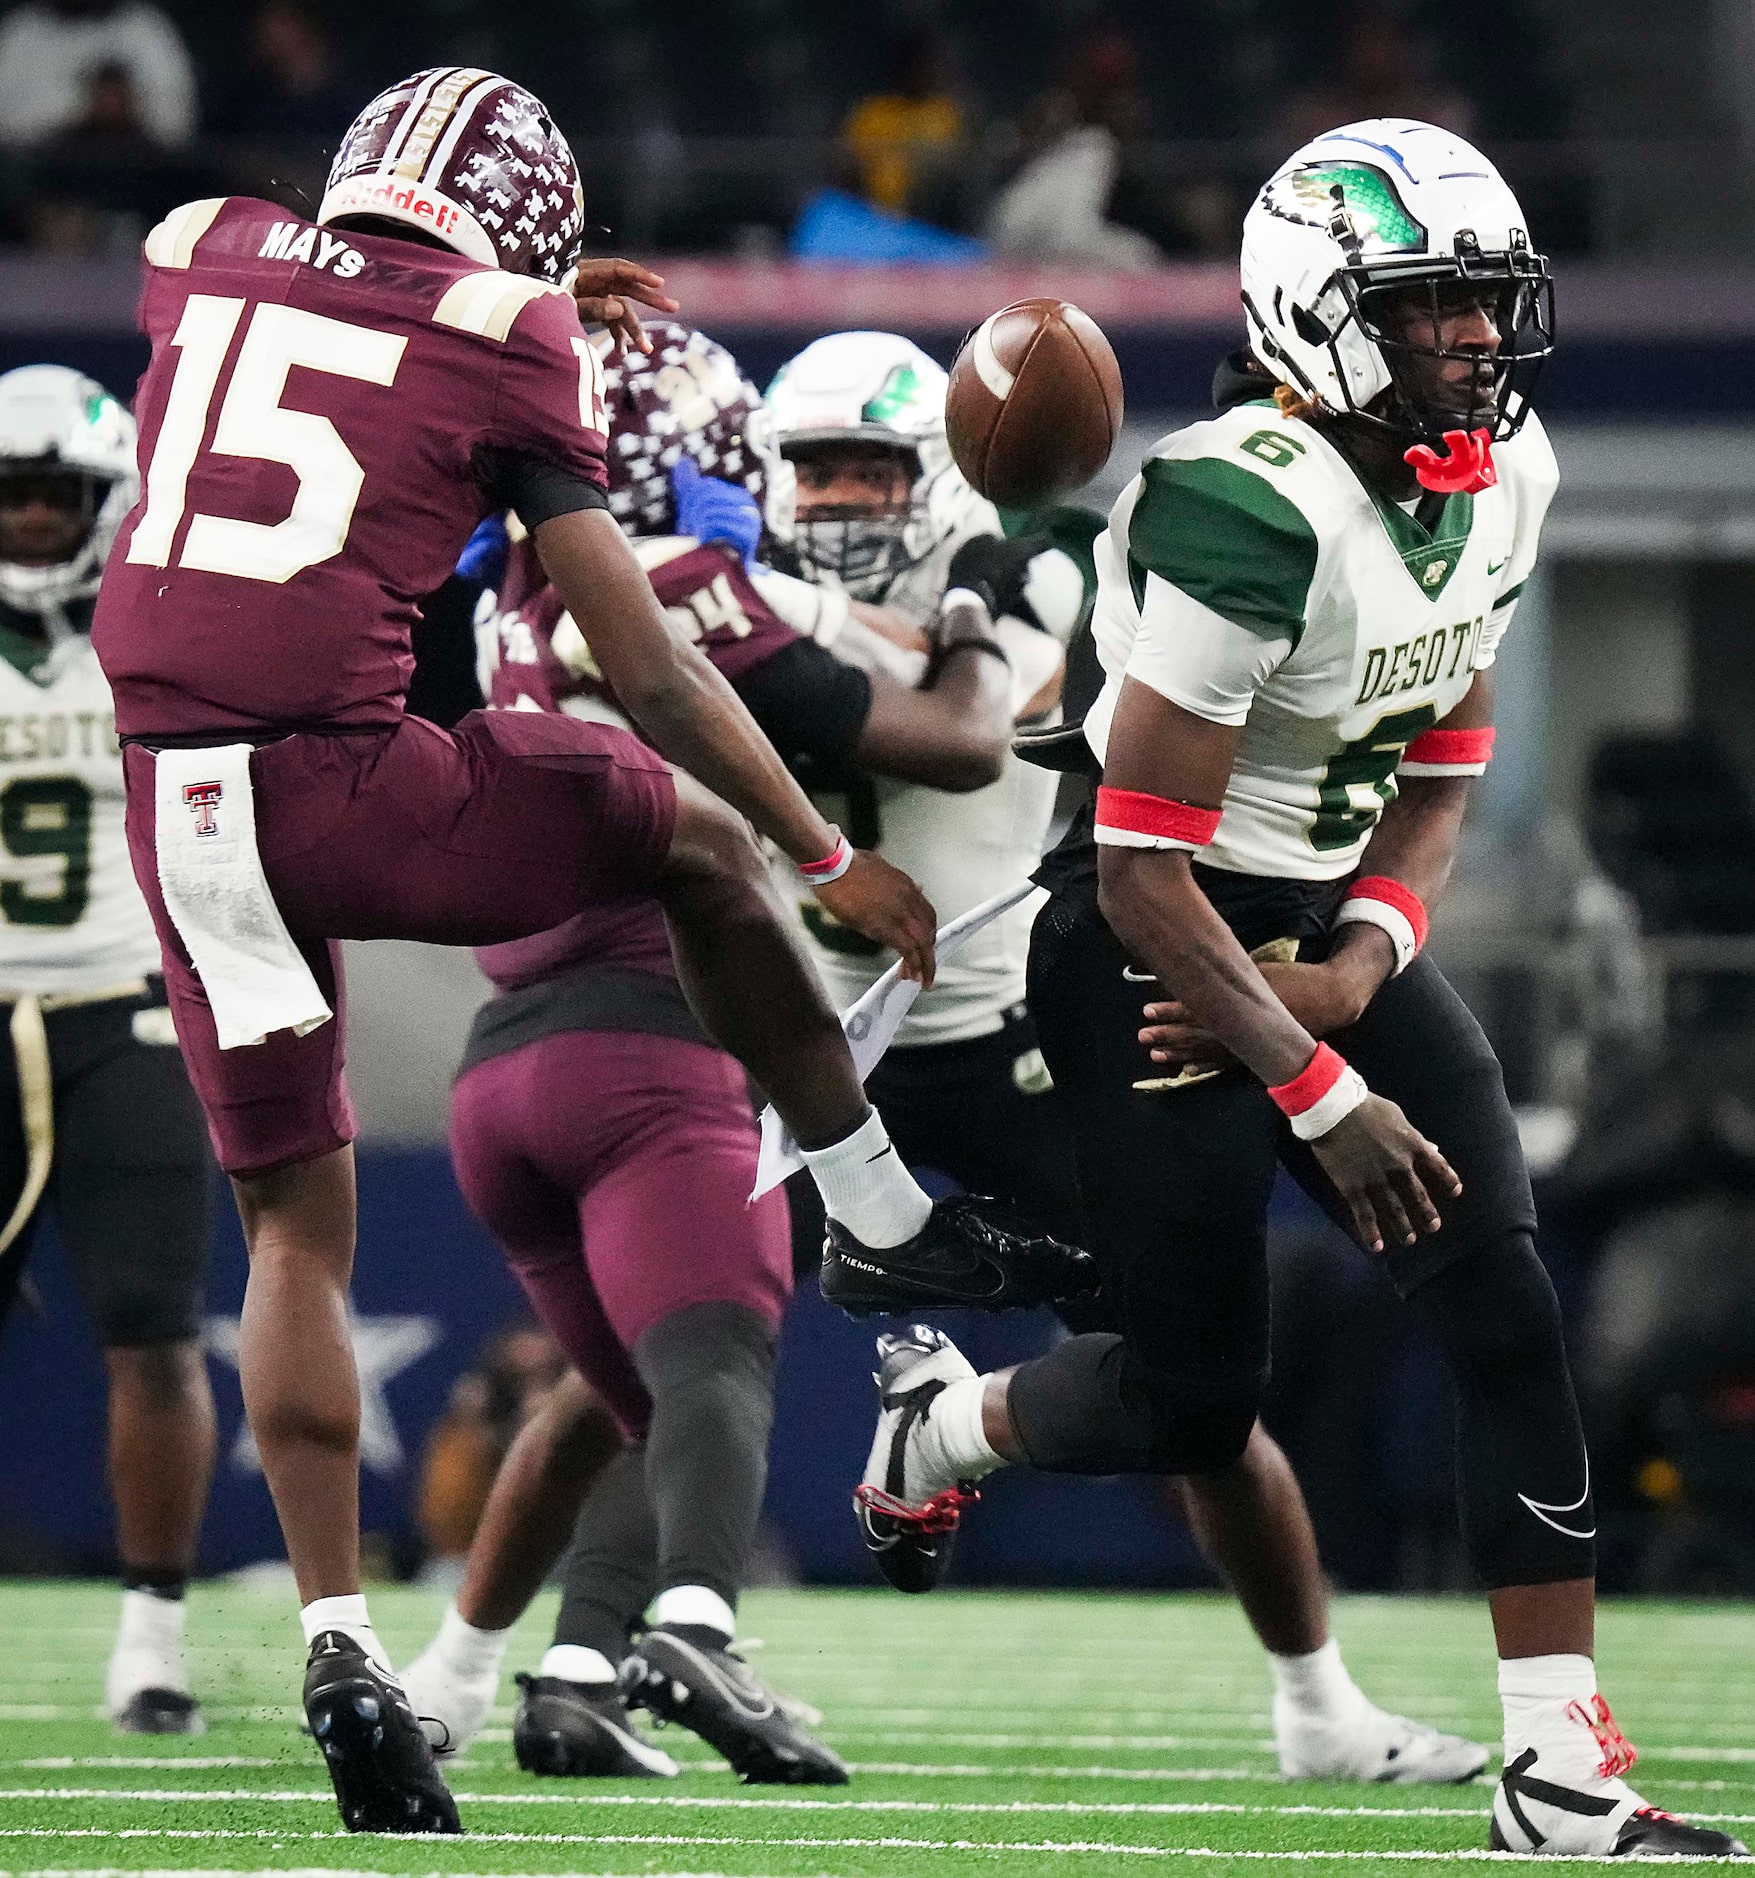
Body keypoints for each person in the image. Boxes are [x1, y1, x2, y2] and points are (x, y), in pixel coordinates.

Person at [90, 73, 1084, 1833]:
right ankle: (876, 1203)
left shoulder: (199, 247)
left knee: (289, 1232)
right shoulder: (509, 336)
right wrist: (826, 852)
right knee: (702, 832)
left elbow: (323, 320)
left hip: (173, 805)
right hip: (341, 785)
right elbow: (655, 671)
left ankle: (340, 1637)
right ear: (523, 217)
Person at [850, 119, 1748, 1859]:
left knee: (1504, 1302)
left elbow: (1447, 762)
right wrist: (1317, 1089)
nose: (1479, 344)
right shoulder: (1240, 502)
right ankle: (942, 1420)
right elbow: (1135, 864)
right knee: (1194, 1395)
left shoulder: (1505, 467)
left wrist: (1353, 973)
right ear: (1320, 316)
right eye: (1435, 312)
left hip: (1315, 919)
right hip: (1138, 932)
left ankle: (1559, 1773)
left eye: (1489, 308)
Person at [766, 329, 1485, 1783]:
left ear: (941, 470)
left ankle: (1316, 1703)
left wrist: (769, 640)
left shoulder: (1032, 563)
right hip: (801, 1049)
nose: (843, 498)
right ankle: (556, 1649)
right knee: (648, 1341)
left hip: (999, 1043)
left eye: (871, 467)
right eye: (815, 470)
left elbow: (965, 728)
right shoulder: (728, 599)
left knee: (1188, 1378)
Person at [401, 319, 1021, 1785]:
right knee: (718, 1362)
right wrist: (983, 601)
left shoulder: (509, 594)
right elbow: (957, 734)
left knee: (632, 1394)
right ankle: (693, 1628)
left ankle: (561, 1673)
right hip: (654, 1040)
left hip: (504, 1062)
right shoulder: (679, 581)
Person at [0, 364, 215, 1734]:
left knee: (153, 1330)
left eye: (50, 495)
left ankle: (151, 1638)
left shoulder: (165, 636)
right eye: (9, 496)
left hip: (124, 1007)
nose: (27, 520)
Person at [0, 0, 194, 147]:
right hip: (47, 177)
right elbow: (8, 129)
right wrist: (83, 109)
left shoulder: (144, 27)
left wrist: (127, 110)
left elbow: (178, 126)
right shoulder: (21, 32)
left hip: (138, 175)